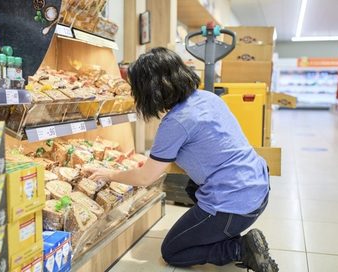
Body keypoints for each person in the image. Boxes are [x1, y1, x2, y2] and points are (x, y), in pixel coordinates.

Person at [85, 47, 278, 272]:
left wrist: (109, 174)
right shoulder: (207, 98)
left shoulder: (175, 122)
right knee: (191, 188)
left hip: (234, 204)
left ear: (150, 90)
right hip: (258, 188)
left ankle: (239, 248)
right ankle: (218, 231)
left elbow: (147, 177)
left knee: (173, 250)